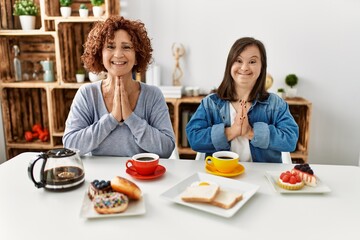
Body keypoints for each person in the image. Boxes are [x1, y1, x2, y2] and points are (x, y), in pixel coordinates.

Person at [63, 16, 175, 157]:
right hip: (99, 178)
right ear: (100, 54)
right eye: (110, 47)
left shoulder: (152, 95)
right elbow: (70, 145)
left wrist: (130, 117)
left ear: (137, 56)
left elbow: (166, 149)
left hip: (141, 177)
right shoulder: (87, 94)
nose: (118, 54)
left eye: (126, 47)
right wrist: (112, 119)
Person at [186, 37, 299, 163]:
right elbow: (194, 138)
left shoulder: (275, 104)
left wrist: (251, 132)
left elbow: (291, 139)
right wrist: (231, 131)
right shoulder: (210, 103)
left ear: (262, 67)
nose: (244, 67)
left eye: (252, 61)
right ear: (230, 64)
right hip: (220, 175)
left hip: (261, 178)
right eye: (238, 60)